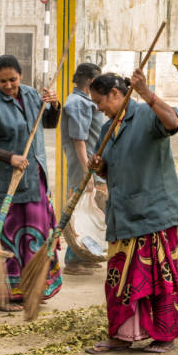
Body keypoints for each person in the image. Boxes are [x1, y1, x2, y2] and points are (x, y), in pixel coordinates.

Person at [85, 69, 178, 354]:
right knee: (118, 279)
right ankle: (120, 335)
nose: (98, 108)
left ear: (115, 94)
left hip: (155, 215)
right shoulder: (106, 131)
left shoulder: (147, 114)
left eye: (100, 102)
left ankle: (165, 336)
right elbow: (112, 169)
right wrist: (100, 167)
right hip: (123, 216)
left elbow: (173, 122)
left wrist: (147, 94)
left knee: (160, 279)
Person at [0, 55, 62, 312]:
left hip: (35, 182)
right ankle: (6, 296)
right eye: (2, 81)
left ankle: (33, 288)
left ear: (21, 76)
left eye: (13, 79)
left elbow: (50, 124)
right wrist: (9, 157)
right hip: (6, 187)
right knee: (8, 243)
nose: (8, 85)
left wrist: (55, 105)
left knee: (36, 238)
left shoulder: (33, 96)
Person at [60, 63, 107, 275]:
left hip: (91, 163)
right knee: (80, 211)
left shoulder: (86, 101)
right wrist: (86, 171)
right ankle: (73, 258)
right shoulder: (77, 103)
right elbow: (79, 140)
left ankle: (86, 255)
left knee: (91, 209)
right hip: (84, 165)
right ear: (90, 81)